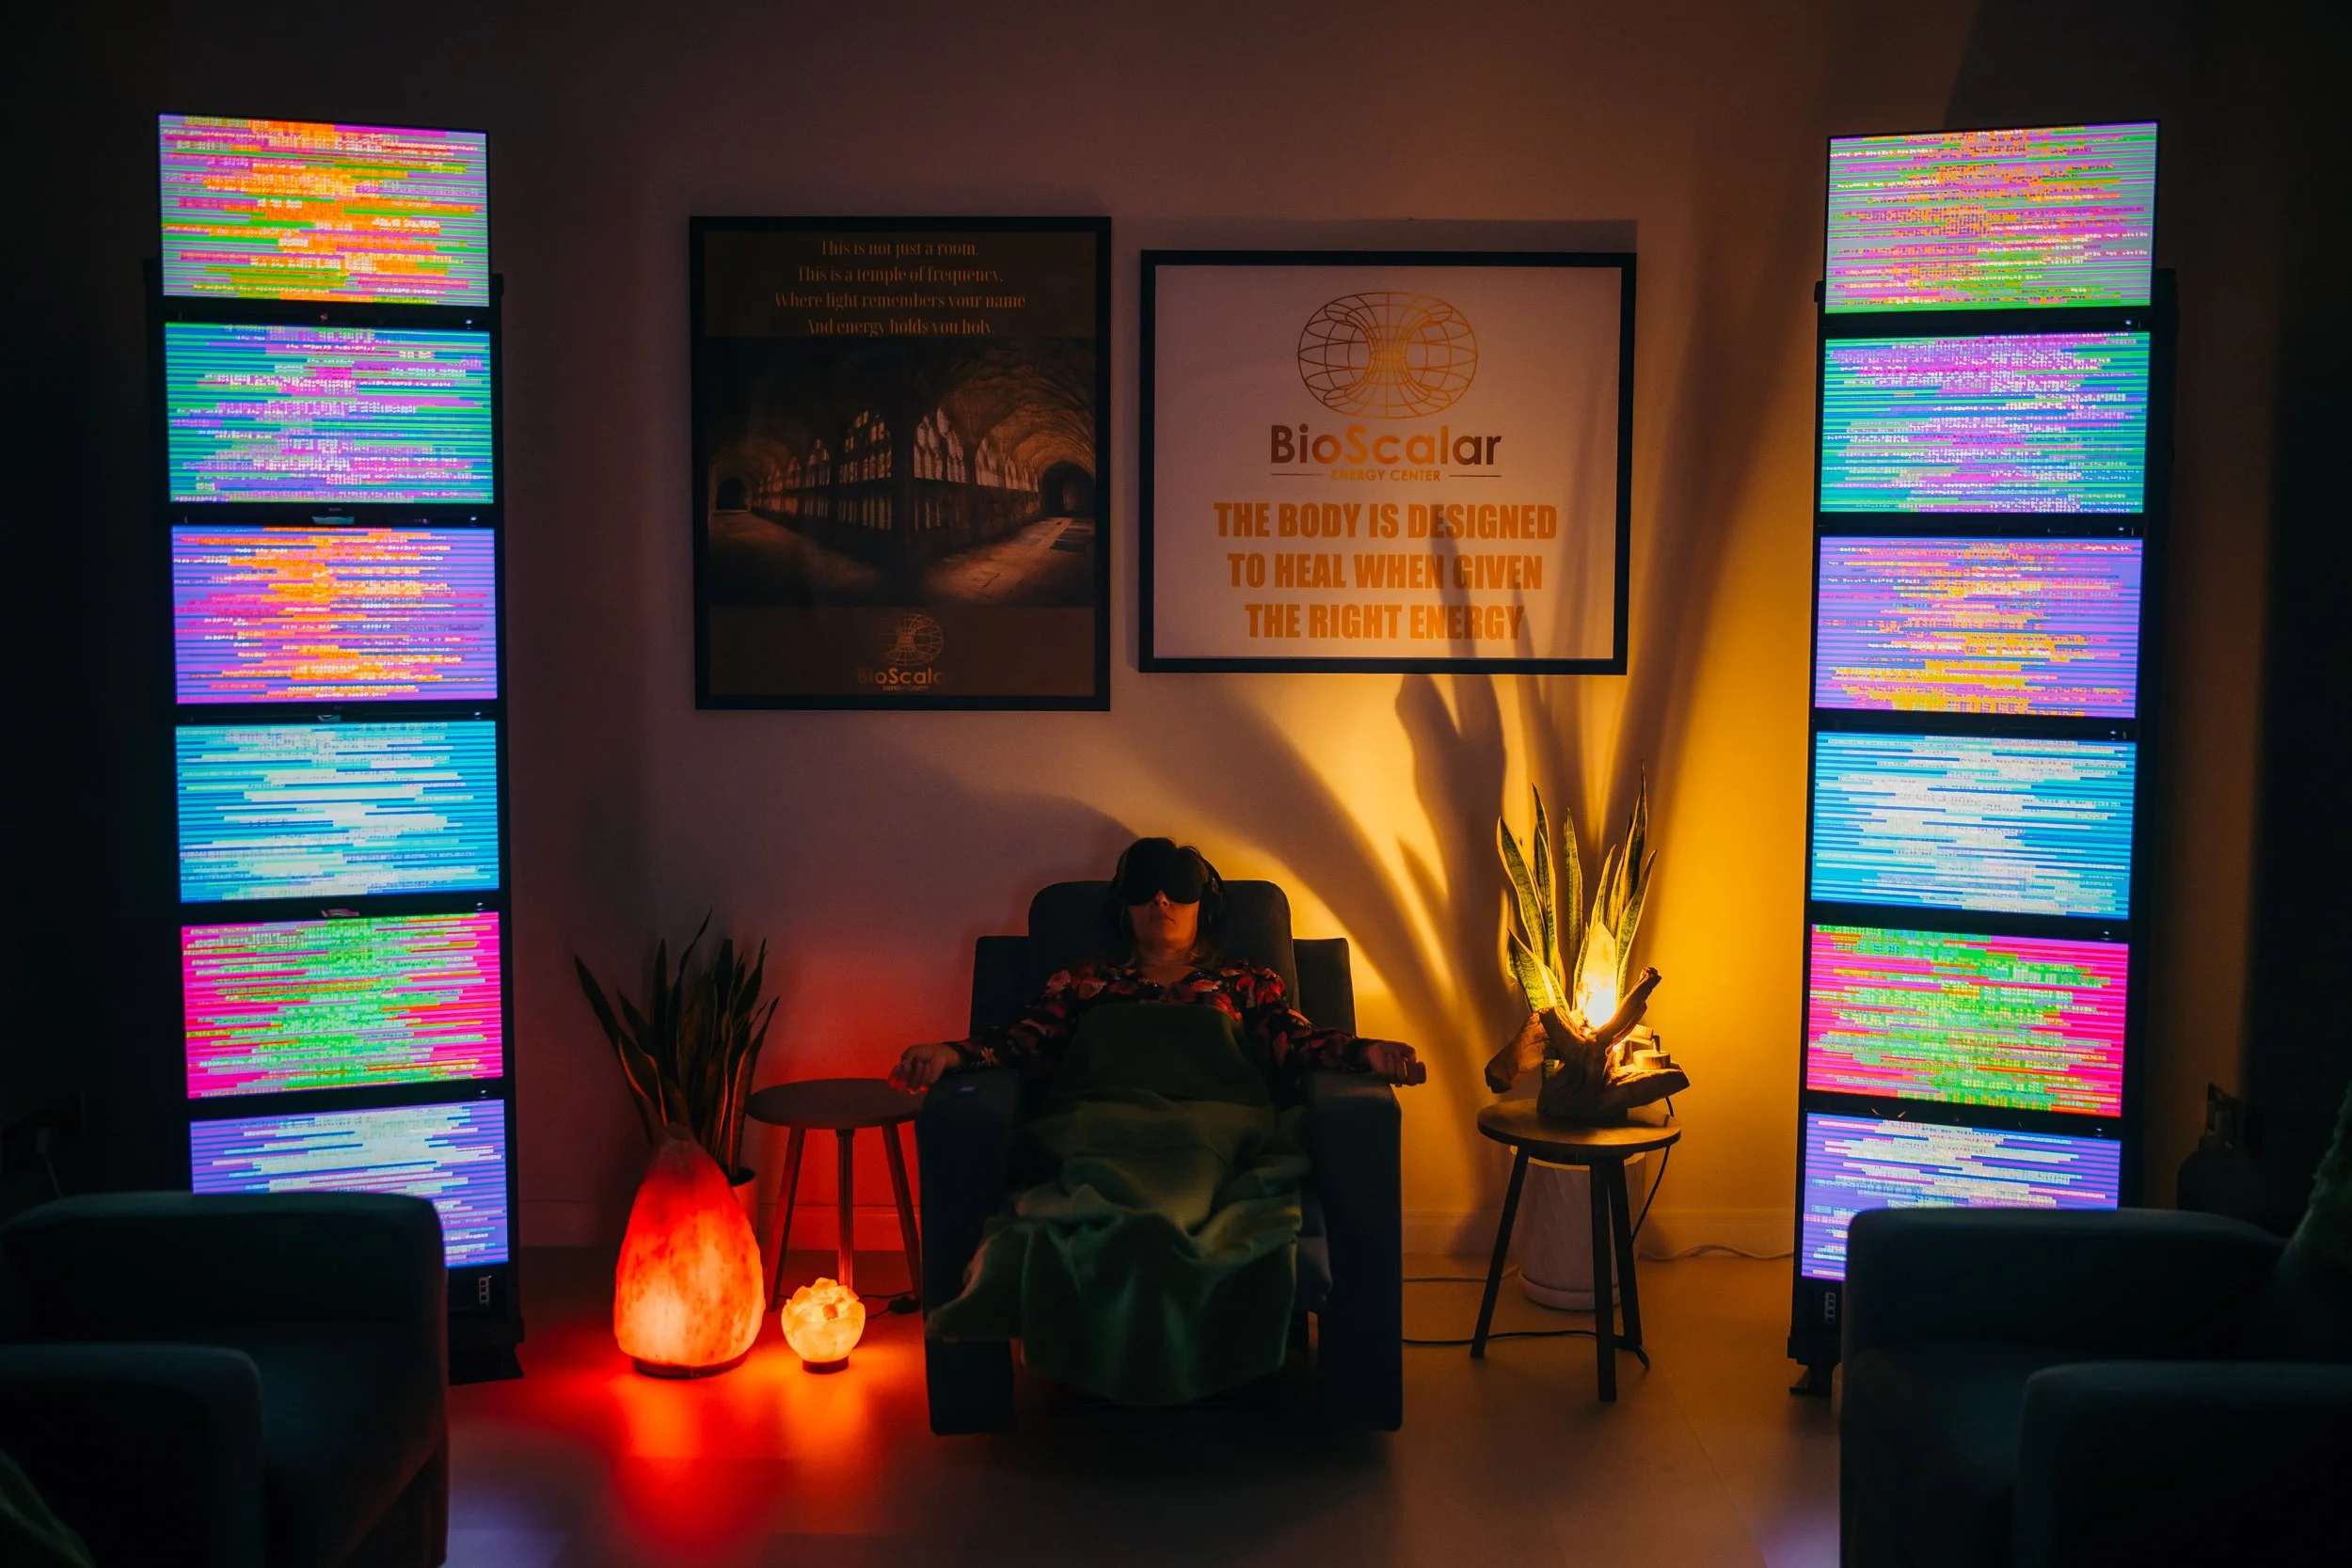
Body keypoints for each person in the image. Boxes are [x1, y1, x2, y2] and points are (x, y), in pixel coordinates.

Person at [892, 837, 1425, 1094]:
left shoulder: (1246, 981)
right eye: (1146, 892)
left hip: (1213, 1129)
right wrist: (949, 1053)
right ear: (1125, 908)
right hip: (1102, 1128)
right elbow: (1021, 1040)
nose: (1162, 902)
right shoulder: (1083, 980)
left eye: (1178, 891)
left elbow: (1298, 1041)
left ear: (1204, 905)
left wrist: (1368, 1051)